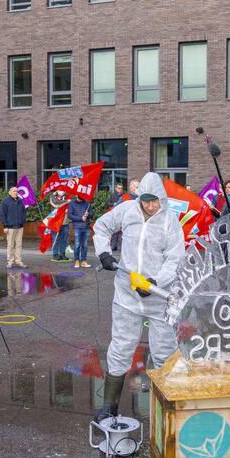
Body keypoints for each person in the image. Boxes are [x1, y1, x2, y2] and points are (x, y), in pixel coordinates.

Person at [93, 173, 185, 421]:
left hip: (159, 297)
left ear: (162, 198)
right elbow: (102, 226)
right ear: (139, 198)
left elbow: (175, 257)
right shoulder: (126, 211)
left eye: (154, 201)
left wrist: (156, 282)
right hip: (126, 294)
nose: (150, 206)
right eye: (146, 201)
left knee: (165, 351)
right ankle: (109, 406)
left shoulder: (169, 221)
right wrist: (104, 252)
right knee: (121, 346)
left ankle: (169, 406)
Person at [0, 186, 27, 269]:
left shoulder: (20, 201)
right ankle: (10, 262)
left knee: (19, 245)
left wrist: (23, 221)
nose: (16, 192)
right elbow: (2, 214)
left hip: (19, 227)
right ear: (10, 192)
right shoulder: (5, 201)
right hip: (10, 227)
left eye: (17, 191)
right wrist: (5, 226)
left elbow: (23, 212)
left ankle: (18, 261)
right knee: (10, 245)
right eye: (14, 191)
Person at [67, 194, 92, 268]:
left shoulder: (87, 203)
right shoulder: (72, 203)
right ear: (77, 196)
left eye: (82, 199)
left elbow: (92, 214)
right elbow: (70, 215)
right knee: (77, 244)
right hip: (77, 227)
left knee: (84, 245)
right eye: (80, 199)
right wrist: (80, 218)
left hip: (86, 226)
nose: (81, 201)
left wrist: (88, 214)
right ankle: (77, 260)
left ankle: (84, 261)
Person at [50, 190, 71, 262]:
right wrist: (66, 202)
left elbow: (71, 207)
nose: (61, 190)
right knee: (55, 239)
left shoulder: (68, 196)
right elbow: (56, 205)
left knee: (64, 240)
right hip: (55, 222)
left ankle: (62, 254)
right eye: (59, 189)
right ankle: (55, 254)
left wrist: (67, 203)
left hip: (65, 222)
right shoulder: (52, 197)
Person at [108, 182, 125, 252]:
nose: (120, 189)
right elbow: (107, 203)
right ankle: (113, 246)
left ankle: (122, 247)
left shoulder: (124, 196)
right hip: (115, 215)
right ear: (116, 188)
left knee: (123, 232)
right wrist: (113, 204)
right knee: (115, 232)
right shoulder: (113, 196)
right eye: (118, 188)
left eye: (121, 188)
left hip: (123, 215)